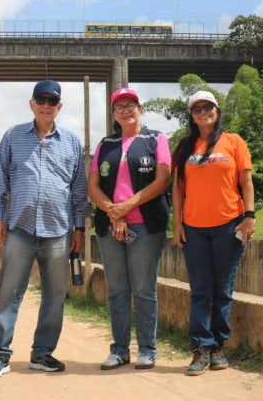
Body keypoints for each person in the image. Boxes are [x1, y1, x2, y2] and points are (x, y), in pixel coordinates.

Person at [0, 79, 88, 378]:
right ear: (31, 104)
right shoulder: (14, 136)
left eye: (51, 102)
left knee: (55, 294)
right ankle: (0, 355)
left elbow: (79, 190)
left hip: (58, 230)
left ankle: (42, 354)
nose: (45, 106)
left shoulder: (71, 142)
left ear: (59, 107)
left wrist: (79, 228)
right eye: (40, 100)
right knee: (9, 293)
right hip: (20, 229)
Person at [171, 90, 256, 377]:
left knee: (223, 290)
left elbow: (246, 181)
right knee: (200, 291)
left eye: (208, 107)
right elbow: (178, 189)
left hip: (229, 225)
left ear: (217, 111)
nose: (203, 111)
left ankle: (218, 346)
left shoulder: (234, 142)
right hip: (194, 228)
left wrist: (249, 216)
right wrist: (178, 223)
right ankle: (200, 348)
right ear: (192, 116)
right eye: (197, 108)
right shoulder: (184, 148)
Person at [87, 88, 171, 371]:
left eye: (130, 104)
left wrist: (128, 206)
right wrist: (114, 213)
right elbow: (93, 186)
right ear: (113, 114)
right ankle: (119, 349)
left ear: (140, 108)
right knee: (117, 290)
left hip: (146, 227)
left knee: (144, 289)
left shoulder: (155, 139)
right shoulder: (105, 144)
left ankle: (147, 349)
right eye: (119, 106)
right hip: (110, 227)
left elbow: (162, 180)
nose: (125, 110)